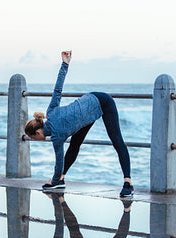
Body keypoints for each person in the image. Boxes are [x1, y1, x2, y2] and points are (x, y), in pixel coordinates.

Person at [24, 51, 133, 197]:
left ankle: (128, 183)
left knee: (117, 140)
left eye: (32, 138)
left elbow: (58, 161)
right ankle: (61, 180)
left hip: (103, 102)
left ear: (37, 132)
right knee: (75, 143)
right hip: (87, 105)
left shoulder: (56, 137)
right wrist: (65, 64)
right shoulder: (50, 112)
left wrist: (53, 180)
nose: (34, 141)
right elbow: (57, 89)